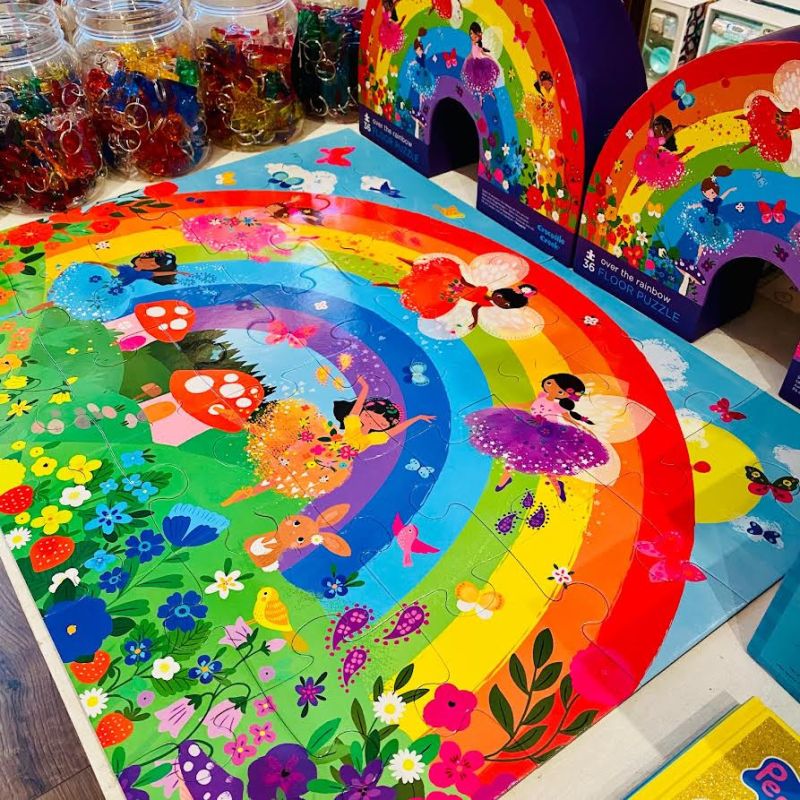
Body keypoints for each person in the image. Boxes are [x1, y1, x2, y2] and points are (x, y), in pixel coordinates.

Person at [223, 376, 435, 504]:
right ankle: (241, 423)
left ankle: (247, 493)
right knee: (277, 441)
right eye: (370, 415)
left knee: (288, 476)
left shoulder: (374, 437)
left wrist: (416, 419)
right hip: (318, 444)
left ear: (383, 427)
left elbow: (396, 430)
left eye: (379, 422)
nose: (372, 421)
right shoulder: (353, 422)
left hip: (331, 463)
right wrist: (364, 390)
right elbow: (357, 408)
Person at [465, 373, 609, 501]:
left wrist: (583, 426)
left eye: (559, 391)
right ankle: (506, 478)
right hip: (527, 427)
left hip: (548, 435)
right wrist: (504, 406)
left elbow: (568, 417)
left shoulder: (558, 406)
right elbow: (525, 405)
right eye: (550, 383)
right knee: (514, 453)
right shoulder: (541, 397)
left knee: (547, 464)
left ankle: (557, 485)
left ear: (565, 395)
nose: (552, 388)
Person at [36, 250, 185, 321]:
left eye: (150, 261)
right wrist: (94, 263)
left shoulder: (142, 275)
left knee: (79, 302)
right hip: (105, 282)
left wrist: (176, 272)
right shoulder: (126, 269)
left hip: (114, 291)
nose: (142, 258)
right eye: (143, 257)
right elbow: (110, 266)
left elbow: (158, 274)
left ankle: (51, 310)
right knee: (72, 295)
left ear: (153, 266)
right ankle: (44, 307)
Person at [680, 165, 736, 264]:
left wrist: (730, 190)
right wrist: (691, 206)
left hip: (714, 222)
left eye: (713, 192)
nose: (712, 194)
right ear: (704, 192)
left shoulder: (717, 201)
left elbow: (723, 196)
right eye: (709, 192)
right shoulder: (706, 202)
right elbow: (698, 205)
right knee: (703, 242)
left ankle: (710, 257)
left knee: (713, 239)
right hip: (706, 221)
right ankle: (698, 258)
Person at [631, 113, 694, 195]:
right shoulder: (651, 135)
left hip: (653, 158)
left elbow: (670, 133)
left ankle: (685, 152)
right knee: (646, 173)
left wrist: (678, 127)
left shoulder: (660, 140)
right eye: (656, 128)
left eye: (660, 130)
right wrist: (652, 112)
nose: (658, 130)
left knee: (670, 161)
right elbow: (651, 124)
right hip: (647, 157)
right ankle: (636, 187)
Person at [462, 22, 500, 102]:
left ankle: (490, 92)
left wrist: (489, 57)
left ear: (478, 34)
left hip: (481, 64)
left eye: (473, 33)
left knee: (485, 81)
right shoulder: (473, 43)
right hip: (474, 65)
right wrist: (467, 59)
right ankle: (481, 97)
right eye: (470, 33)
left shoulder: (478, 43)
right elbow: (472, 52)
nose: (472, 35)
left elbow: (481, 52)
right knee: (478, 83)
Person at [407, 29, 438, 105]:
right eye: (417, 51)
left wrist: (428, 46)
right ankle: (421, 100)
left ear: (421, 50)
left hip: (425, 72)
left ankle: (423, 96)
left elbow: (426, 51)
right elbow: (415, 61)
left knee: (427, 83)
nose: (418, 52)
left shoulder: (423, 55)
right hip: (421, 72)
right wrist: (411, 63)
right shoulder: (418, 58)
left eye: (419, 50)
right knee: (422, 86)